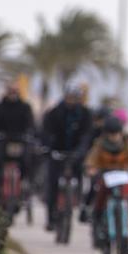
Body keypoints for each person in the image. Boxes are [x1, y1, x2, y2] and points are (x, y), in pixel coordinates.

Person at [40, 83, 96, 232]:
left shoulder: (86, 114)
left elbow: (87, 135)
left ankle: (78, 204)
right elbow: (45, 132)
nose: (71, 100)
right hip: (56, 153)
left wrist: (82, 151)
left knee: (83, 180)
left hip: (76, 155)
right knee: (52, 184)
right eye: (69, 97)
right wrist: (47, 147)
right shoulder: (54, 113)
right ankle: (51, 218)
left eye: (75, 98)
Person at [0, 83, 36, 204]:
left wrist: (29, 134)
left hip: (21, 141)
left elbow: (31, 125)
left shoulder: (25, 107)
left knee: (29, 160)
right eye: (10, 91)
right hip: (3, 142)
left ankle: (25, 183)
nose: (12, 93)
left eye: (15, 91)